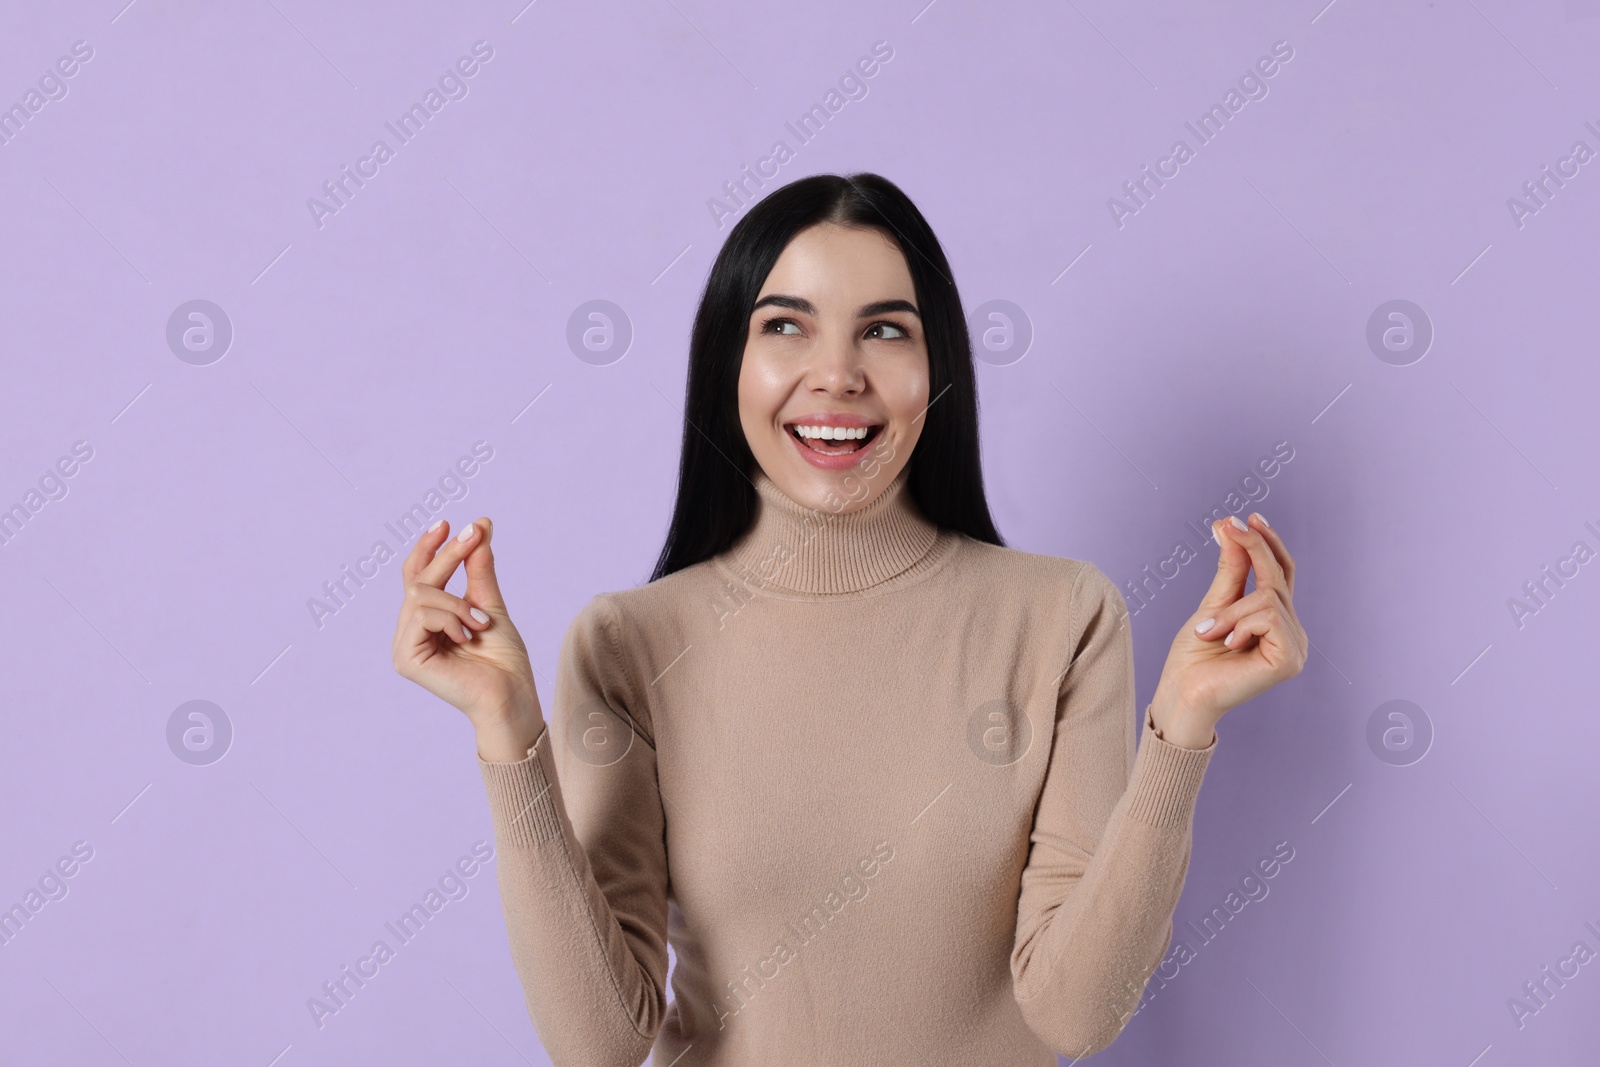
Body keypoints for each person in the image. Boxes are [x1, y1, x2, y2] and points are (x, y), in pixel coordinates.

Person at [391, 172, 1307, 1065]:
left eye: (884, 330)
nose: (836, 374)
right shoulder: (628, 645)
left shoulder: (1063, 616)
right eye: (785, 325)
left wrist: (1182, 729)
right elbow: (598, 1043)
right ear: (727, 365)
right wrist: (509, 738)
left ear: (935, 368)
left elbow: (1074, 1013)